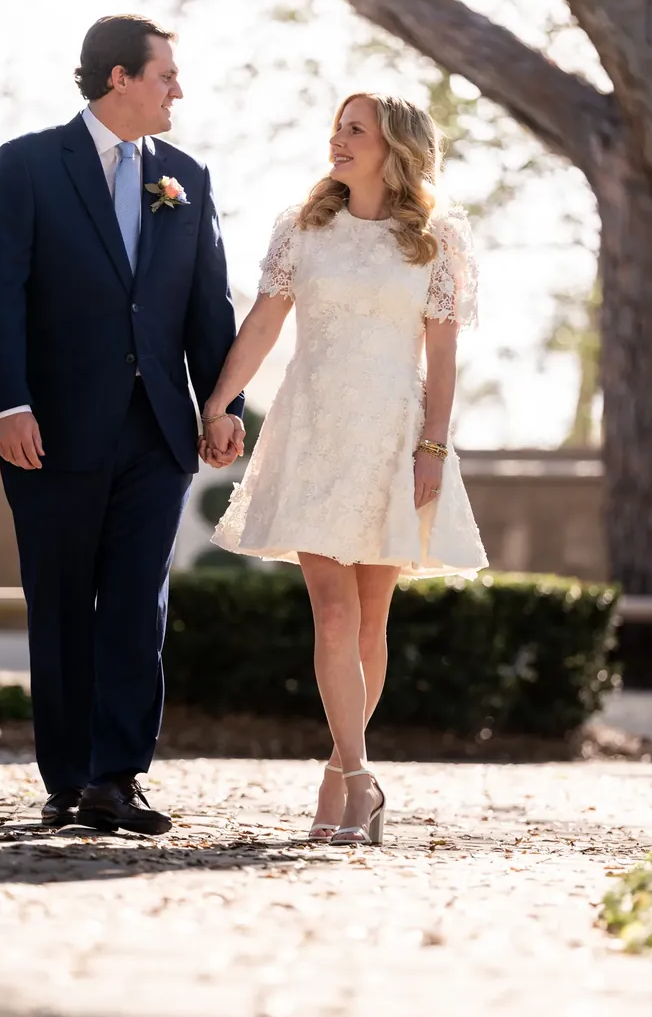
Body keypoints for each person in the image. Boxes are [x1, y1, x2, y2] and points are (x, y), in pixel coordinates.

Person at [0, 15, 243, 835]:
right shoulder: (26, 165)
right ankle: (67, 775)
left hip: (156, 431)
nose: (178, 92)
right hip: (46, 429)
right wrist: (8, 403)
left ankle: (117, 777)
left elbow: (207, 305)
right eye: (166, 76)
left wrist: (218, 403)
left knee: (137, 604)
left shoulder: (186, 177)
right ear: (118, 78)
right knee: (60, 602)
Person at [199, 92, 487, 846]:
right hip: (315, 429)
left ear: (394, 146)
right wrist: (221, 401)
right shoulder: (303, 229)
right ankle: (359, 776)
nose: (338, 139)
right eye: (337, 126)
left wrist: (433, 449)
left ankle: (342, 772)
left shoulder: (436, 240)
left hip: (393, 437)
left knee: (369, 620)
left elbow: (445, 358)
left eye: (354, 129)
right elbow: (263, 322)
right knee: (331, 610)